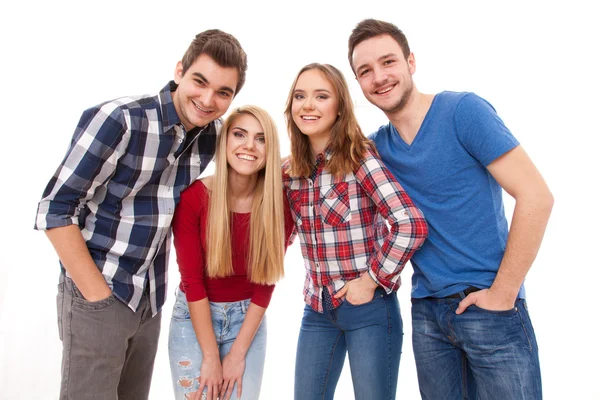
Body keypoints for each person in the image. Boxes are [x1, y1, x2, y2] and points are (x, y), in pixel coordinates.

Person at [34, 29, 247, 400]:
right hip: (100, 289)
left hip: (150, 298)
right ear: (179, 70)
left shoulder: (212, 135)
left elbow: (246, 163)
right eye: (200, 81)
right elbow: (54, 208)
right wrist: (96, 295)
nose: (208, 99)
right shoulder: (121, 119)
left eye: (223, 92)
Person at [348, 19, 554, 399]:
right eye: (365, 71)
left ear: (411, 62)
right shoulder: (378, 148)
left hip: (489, 306)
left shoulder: (463, 111)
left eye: (388, 62)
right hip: (428, 316)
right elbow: (324, 160)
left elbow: (536, 197)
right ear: (359, 83)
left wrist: (504, 293)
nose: (379, 77)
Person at [282, 63, 428, 400]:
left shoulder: (358, 158)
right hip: (317, 310)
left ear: (339, 108)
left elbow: (410, 224)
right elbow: (280, 237)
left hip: (369, 310)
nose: (308, 105)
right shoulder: (289, 173)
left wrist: (371, 279)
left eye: (321, 96)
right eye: (300, 96)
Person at [168, 105, 295, 400]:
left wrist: (237, 354)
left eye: (261, 139)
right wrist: (210, 358)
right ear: (224, 142)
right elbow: (192, 282)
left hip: (248, 319)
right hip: (193, 317)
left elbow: (266, 280)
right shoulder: (194, 199)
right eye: (239, 135)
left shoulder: (278, 204)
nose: (249, 146)